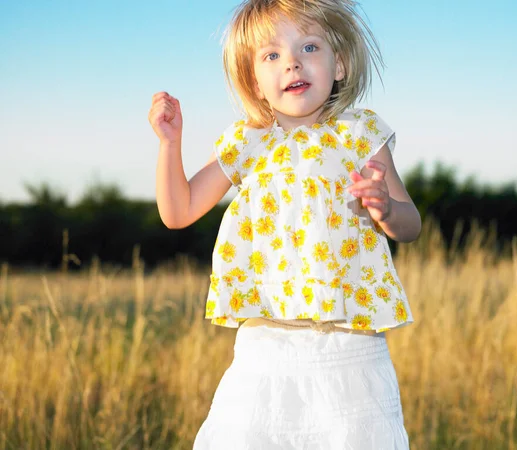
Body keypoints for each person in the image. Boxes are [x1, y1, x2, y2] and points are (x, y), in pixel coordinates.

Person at [148, 0, 421, 448]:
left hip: (349, 347)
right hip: (266, 348)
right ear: (255, 81)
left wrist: (387, 210)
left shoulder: (361, 134)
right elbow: (178, 212)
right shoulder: (248, 140)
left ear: (340, 65)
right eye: (272, 55)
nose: (292, 62)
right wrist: (169, 144)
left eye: (309, 46)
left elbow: (410, 225)